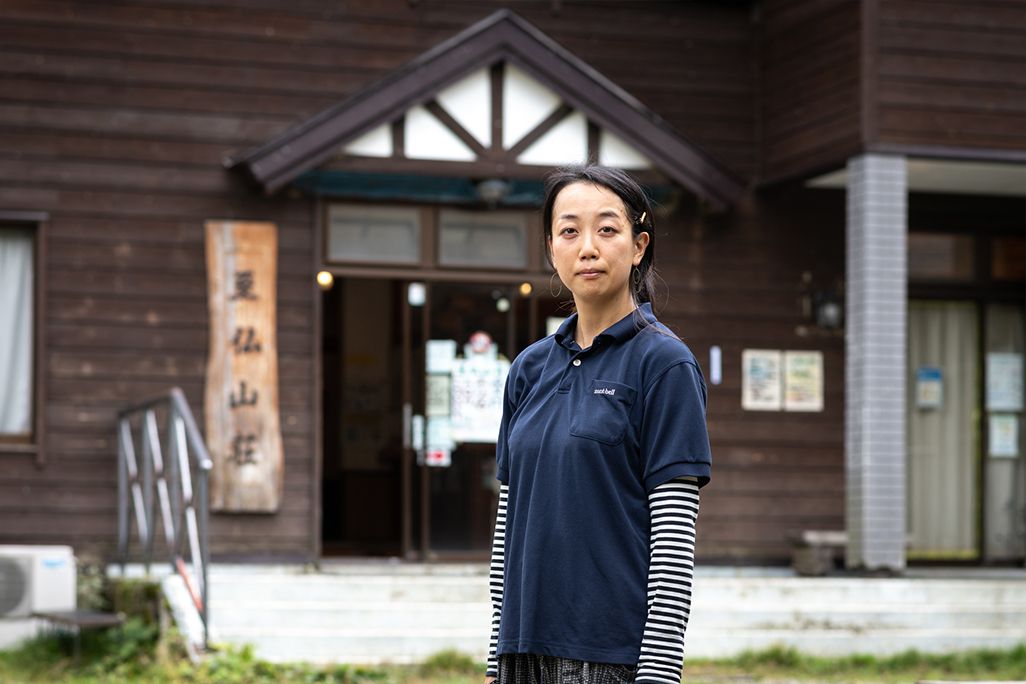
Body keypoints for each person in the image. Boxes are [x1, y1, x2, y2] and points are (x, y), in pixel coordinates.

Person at [484, 164, 712, 684]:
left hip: (610, 656)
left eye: (607, 229)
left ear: (639, 246)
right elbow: (506, 535)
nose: (587, 246)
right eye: (569, 231)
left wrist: (656, 676)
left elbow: (673, 545)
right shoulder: (529, 368)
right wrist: (497, 660)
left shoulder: (664, 364)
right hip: (523, 651)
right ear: (551, 249)